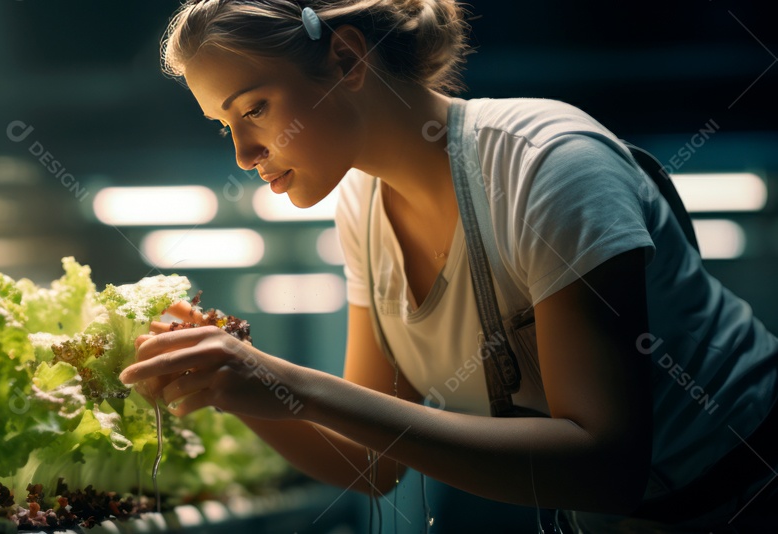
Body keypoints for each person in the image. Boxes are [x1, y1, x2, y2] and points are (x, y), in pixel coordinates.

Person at [119, 0, 778, 531]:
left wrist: (289, 379)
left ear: (347, 58)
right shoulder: (361, 207)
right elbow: (372, 465)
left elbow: (605, 467)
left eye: (254, 108)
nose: (242, 153)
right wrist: (228, 388)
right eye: (222, 125)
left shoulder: (545, 165)